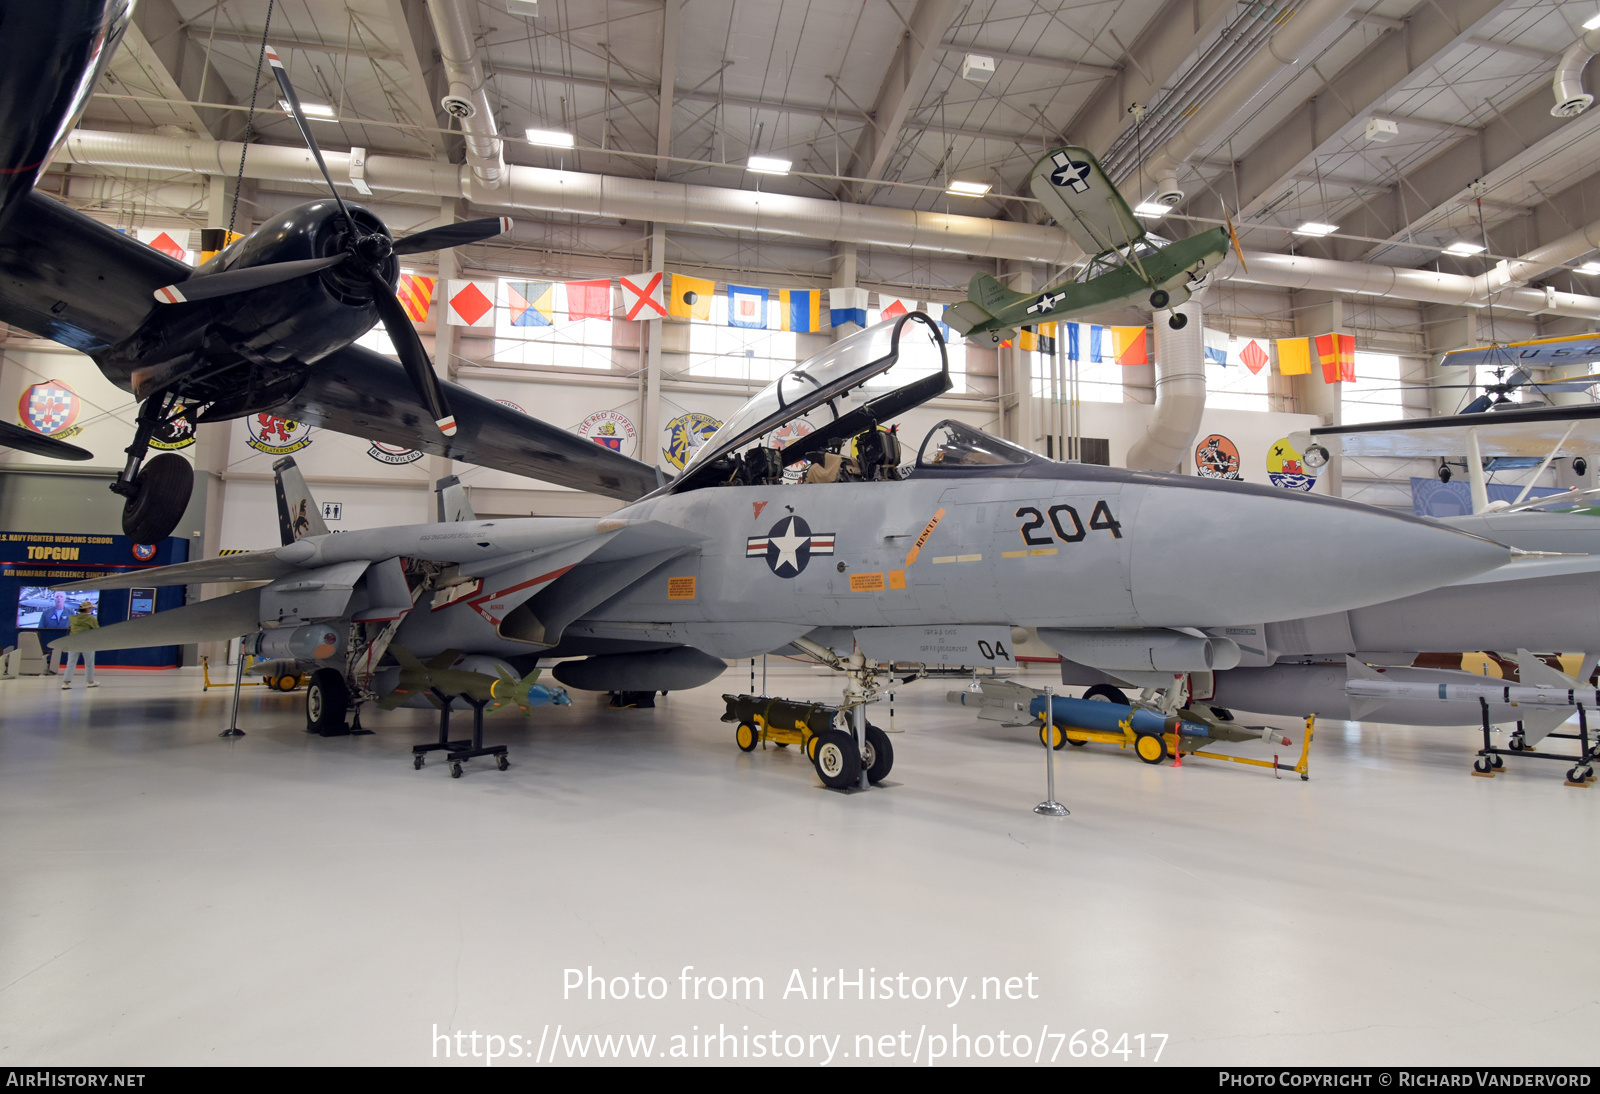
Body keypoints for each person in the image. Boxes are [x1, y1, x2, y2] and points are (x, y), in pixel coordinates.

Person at [61, 599, 98, 688]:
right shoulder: (90, 618)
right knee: (89, 663)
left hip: (73, 642)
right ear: (88, 609)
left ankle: (65, 683)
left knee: (71, 663)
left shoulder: (72, 618)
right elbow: (96, 629)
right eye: (91, 608)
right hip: (87, 643)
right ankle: (90, 682)